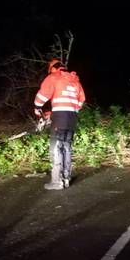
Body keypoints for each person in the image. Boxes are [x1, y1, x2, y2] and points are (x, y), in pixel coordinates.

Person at [33, 58, 86, 190]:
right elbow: (81, 99)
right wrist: (67, 110)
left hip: (60, 118)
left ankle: (57, 181)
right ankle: (66, 178)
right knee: (67, 147)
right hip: (72, 118)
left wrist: (37, 106)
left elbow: (43, 94)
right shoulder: (74, 80)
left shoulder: (54, 77)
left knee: (57, 147)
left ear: (53, 68)